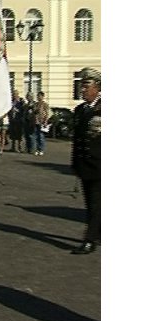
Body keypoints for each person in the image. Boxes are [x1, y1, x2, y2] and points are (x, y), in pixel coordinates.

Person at [70, 67, 101, 255]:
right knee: (90, 203)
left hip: (101, 165)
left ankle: (89, 240)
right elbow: (77, 139)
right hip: (84, 165)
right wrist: (75, 164)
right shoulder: (81, 110)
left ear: (97, 87)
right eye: (81, 86)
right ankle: (96, 233)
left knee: (97, 203)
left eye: (86, 85)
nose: (82, 90)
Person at [33, 91, 50, 156]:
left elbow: (47, 113)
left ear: (43, 96)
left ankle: (41, 149)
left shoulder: (45, 104)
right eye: (38, 96)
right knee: (37, 136)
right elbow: (34, 112)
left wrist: (45, 121)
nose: (38, 97)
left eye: (40, 96)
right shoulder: (36, 104)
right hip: (36, 122)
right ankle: (37, 149)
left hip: (42, 122)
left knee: (41, 136)